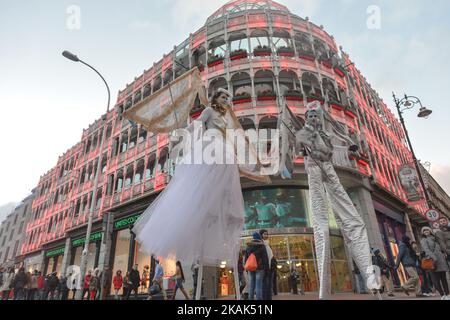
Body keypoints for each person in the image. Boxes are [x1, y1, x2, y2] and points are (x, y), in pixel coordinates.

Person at [132, 88, 270, 272]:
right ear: (215, 98)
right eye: (223, 96)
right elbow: (197, 125)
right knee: (203, 180)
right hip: (210, 146)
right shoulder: (209, 111)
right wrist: (180, 133)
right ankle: (203, 205)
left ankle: (217, 206)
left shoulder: (225, 117)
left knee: (225, 182)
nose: (226, 100)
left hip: (224, 150)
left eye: (228, 98)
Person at [295, 101, 374, 299]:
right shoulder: (304, 133)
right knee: (320, 217)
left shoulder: (324, 133)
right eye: (310, 117)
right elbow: (300, 149)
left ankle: (370, 276)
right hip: (314, 169)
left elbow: (335, 146)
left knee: (347, 211)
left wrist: (349, 147)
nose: (313, 119)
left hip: (327, 167)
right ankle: (324, 290)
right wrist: (306, 151)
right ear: (306, 119)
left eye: (315, 116)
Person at [420, 226, 449, 300]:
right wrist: (434, 258)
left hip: (441, 261)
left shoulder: (436, 239)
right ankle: (442, 295)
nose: (426, 231)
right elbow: (427, 250)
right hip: (432, 261)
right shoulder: (423, 240)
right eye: (424, 231)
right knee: (436, 280)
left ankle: (447, 294)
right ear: (422, 232)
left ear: (430, 231)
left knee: (444, 279)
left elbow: (442, 248)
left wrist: (443, 254)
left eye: (427, 230)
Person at [245, 232, 269, 300]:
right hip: (260, 268)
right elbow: (265, 259)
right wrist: (266, 269)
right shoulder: (262, 246)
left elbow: (246, 258)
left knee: (251, 285)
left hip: (250, 268)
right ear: (259, 238)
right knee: (258, 285)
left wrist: (246, 268)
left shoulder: (249, 246)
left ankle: (251, 298)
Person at [259, 229, 274, 300]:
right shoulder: (261, 244)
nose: (266, 235)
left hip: (270, 268)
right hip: (264, 268)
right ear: (261, 235)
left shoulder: (268, 244)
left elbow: (271, 256)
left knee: (269, 285)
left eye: (267, 234)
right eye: (264, 234)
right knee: (264, 285)